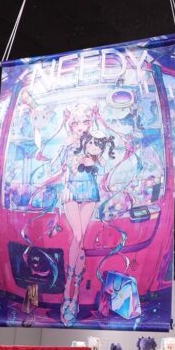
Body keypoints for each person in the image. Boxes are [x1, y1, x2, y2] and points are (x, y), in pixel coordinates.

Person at [60, 128, 116, 326]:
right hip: (71, 195)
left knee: (80, 239)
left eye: (97, 144)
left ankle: (72, 293)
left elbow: (106, 171)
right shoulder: (74, 154)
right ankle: (70, 289)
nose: (92, 146)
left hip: (90, 196)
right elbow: (66, 172)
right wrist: (66, 183)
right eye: (90, 142)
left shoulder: (100, 161)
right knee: (78, 236)